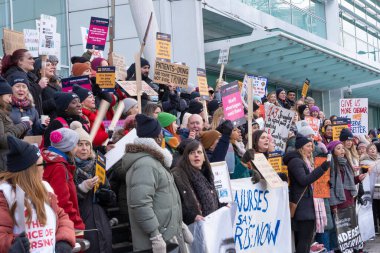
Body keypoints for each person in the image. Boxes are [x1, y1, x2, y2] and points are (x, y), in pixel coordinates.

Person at [122, 114, 193, 252]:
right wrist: (155, 236)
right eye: (160, 132)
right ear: (157, 136)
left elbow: (167, 199)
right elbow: (141, 204)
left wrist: (180, 224)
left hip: (169, 235)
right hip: (158, 241)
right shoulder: (146, 164)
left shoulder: (154, 161)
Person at [0, 136, 75, 253]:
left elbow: (62, 217)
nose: (45, 168)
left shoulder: (45, 189)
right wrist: (11, 245)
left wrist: (64, 240)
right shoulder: (5, 195)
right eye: (42, 164)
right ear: (29, 171)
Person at [71, 122, 114, 253]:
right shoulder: (69, 168)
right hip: (81, 227)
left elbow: (111, 200)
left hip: (101, 225)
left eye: (87, 145)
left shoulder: (98, 167)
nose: (84, 148)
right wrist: (82, 189)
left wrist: (107, 195)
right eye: (80, 144)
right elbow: (67, 201)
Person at [283, 135, 330, 253]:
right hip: (303, 206)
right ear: (300, 148)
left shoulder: (303, 161)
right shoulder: (296, 162)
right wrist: (322, 168)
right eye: (308, 146)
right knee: (304, 241)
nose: (311, 149)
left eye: (312, 146)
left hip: (305, 205)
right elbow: (304, 180)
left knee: (305, 240)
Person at [42, 128, 86, 231]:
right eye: (76, 144)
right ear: (69, 147)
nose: (77, 148)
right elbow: (62, 202)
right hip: (66, 225)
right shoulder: (59, 167)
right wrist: (77, 224)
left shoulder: (46, 159)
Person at [172, 140, 223, 225]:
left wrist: (223, 207)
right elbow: (175, 206)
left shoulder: (207, 175)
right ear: (187, 157)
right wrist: (192, 217)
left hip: (210, 226)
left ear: (204, 157)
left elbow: (213, 202)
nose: (196, 155)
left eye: (199, 152)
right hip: (192, 228)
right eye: (192, 153)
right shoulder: (178, 176)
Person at [2, 49, 49, 116]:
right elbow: (23, 95)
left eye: (33, 58)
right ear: (20, 61)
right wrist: (39, 86)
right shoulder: (14, 76)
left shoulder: (29, 76)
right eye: (30, 58)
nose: (33, 61)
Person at [0, 77, 31, 171]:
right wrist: (23, 125)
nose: (10, 100)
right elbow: (3, 141)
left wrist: (25, 128)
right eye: (9, 96)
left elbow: (11, 136)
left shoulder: (4, 112)